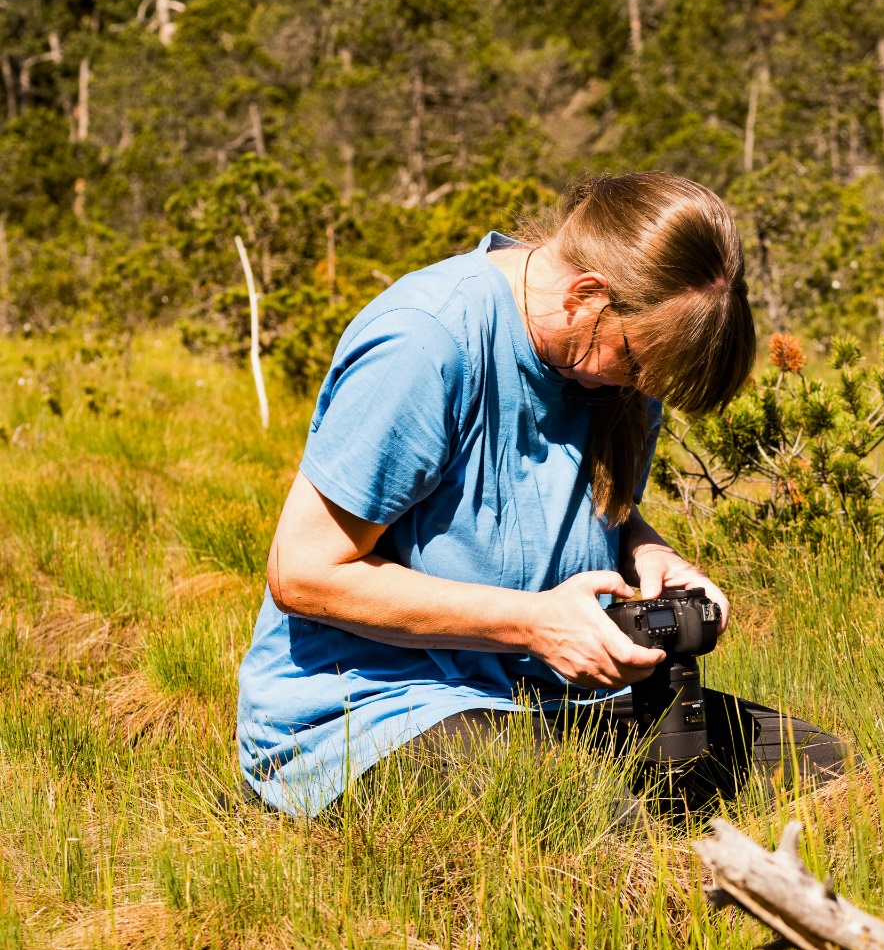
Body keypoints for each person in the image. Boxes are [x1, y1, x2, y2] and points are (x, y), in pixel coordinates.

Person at [237, 172, 844, 816]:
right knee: (605, 837)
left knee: (828, 773)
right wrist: (533, 624)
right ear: (586, 295)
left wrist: (648, 554)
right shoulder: (425, 342)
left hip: (550, 697)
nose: (641, 390)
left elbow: (594, 506)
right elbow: (303, 573)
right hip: (376, 707)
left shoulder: (614, 360)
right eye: (636, 364)